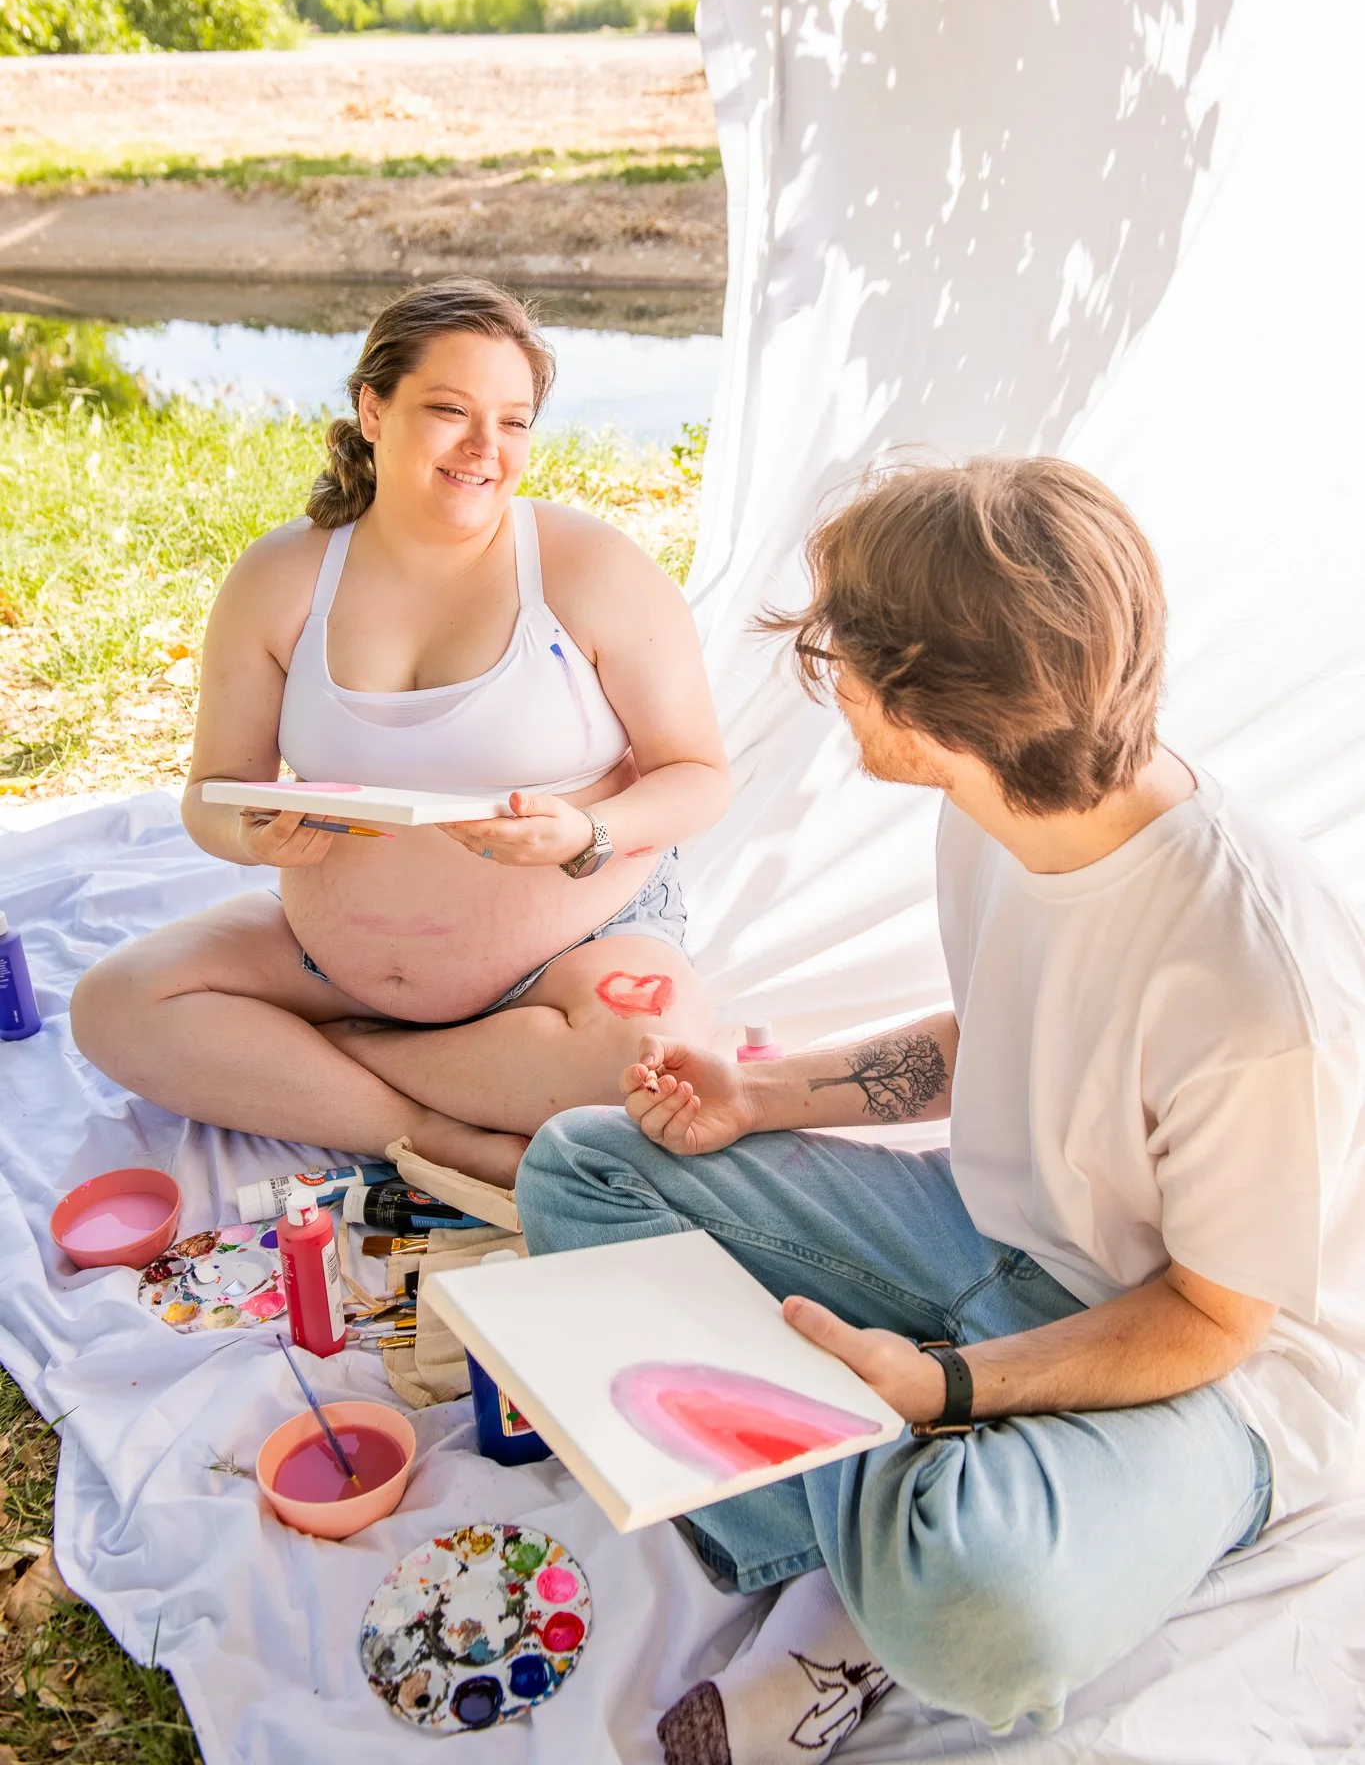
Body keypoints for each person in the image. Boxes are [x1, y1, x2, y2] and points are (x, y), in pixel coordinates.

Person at [516, 455, 1365, 1761]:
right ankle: (869, 1511)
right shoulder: (1004, 801)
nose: (830, 681)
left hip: (1218, 1370)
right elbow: (1002, 1029)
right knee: (581, 1169)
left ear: (923, 711)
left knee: (980, 1612)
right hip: (991, 1241)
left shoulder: (1251, 983)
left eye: (843, 657)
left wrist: (946, 1388)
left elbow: (1210, 1317)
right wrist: (761, 1092)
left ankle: (861, 1586)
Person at [71, 278, 729, 1187]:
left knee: (647, 1075)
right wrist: (248, 833)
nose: (484, 449)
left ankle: (328, 1058)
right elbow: (211, 791)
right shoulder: (281, 577)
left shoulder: (592, 568)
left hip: (573, 954)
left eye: (513, 421)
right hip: (328, 956)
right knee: (116, 1006)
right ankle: (424, 1129)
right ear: (372, 410)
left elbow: (698, 775)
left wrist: (588, 833)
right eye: (449, 411)